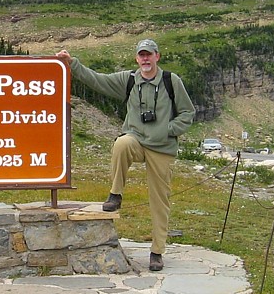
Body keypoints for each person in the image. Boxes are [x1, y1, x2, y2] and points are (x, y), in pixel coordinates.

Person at [56, 39, 195, 271]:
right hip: (137, 141)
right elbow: (98, 80)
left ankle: (157, 252)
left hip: (162, 148)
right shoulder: (129, 80)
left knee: (160, 201)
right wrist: (73, 64)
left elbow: (187, 112)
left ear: (157, 57)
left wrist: (168, 131)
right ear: (136, 58)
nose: (145, 59)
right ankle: (115, 194)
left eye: (149, 55)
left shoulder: (172, 81)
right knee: (122, 143)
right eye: (142, 55)